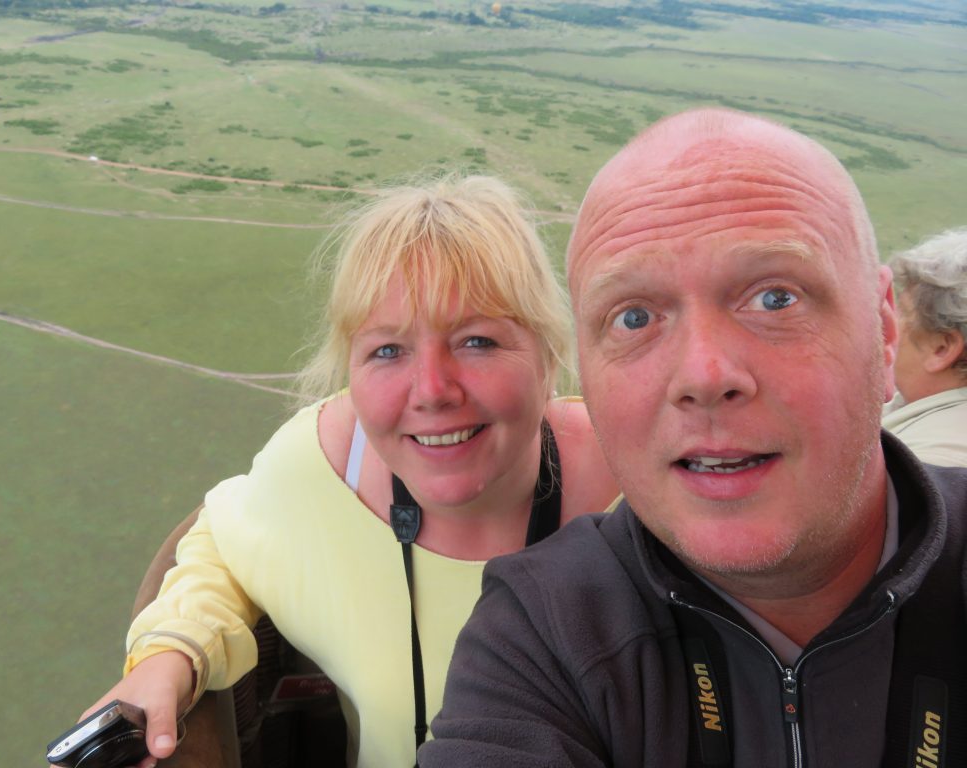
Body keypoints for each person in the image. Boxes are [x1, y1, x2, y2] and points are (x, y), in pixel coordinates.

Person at [419, 109, 967, 766]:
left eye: (775, 298)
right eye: (633, 316)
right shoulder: (547, 631)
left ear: (883, 331)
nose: (705, 376)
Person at [76, 174, 620, 768]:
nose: (432, 391)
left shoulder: (636, 485)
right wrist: (171, 653)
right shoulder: (326, 466)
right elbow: (220, 541)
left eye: (478, 341)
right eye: (388, 350)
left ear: (548, 352)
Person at [882, 227, 967, 467]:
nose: (887, 322)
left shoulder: (933, 465)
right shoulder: (921, 400)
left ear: (942, 347)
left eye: (904, 312)